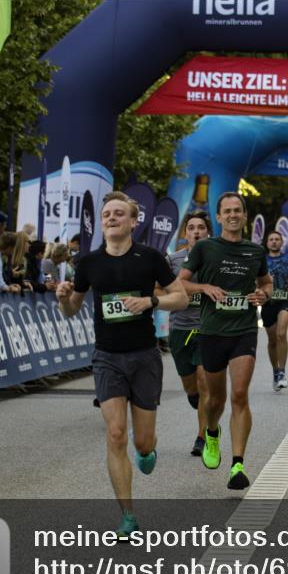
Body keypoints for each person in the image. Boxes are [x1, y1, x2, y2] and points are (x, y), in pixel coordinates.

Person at [56, 191, 188, 538]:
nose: (111, 218)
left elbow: (182, 297)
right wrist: (63, 300)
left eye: (119, 214)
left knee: (141, 442)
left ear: (133, 221)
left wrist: (150, 301)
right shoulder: (88, 263)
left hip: (144, 356)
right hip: (107, 357)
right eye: (106, 215)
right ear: (102, 223)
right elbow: (72, 309)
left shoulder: (150, 258)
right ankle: (128, 515)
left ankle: (147, 449)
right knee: (115, 434)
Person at [177, 192, 272, 490]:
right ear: (218, 217)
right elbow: (179, 282)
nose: (233, 215)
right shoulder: (205, 247)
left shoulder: (255, 251)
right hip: (212, 331)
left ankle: (238, 464)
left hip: (244, 328)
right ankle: (213, 432)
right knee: (215, 401)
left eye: (237, 210)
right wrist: (204, 287)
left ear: (244, 215)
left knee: (240, 394)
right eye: (227, 211)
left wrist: (264, 294)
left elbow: (266, 282)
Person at [166, 210, 211, 457]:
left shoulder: (215, 259)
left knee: (205, 383)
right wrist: (178, 297)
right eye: (191, 228)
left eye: (201, 228)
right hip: (180, 328)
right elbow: (159, 290)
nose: (196, 231)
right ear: (185, 233)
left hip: (207, 328)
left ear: (208, 232)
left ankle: (201, 438)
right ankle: (194, 397)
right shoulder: (173, 260)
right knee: (191, 386)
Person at [262, 229, 288, 391]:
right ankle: (275, 371)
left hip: (285, 300)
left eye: (277, 239)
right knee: (272, 340)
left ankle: (282, 372)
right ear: (267, 243)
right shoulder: (261, 260)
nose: (274, 241)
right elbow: (254, 279)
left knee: (281, 334)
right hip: (267, 302)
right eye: (271, 239)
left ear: (281, 242)